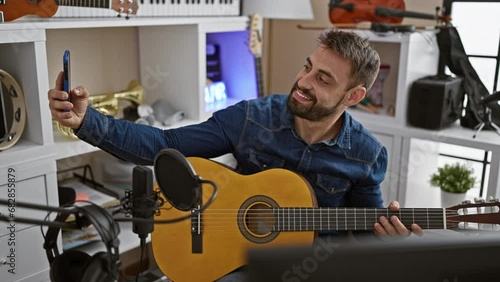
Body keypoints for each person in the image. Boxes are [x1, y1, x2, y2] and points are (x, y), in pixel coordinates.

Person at [49, 28, 423, 280]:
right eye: (308, 67)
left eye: (323, 79)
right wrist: (87, 122)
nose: (304, 82)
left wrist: (386, 238)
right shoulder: (253, 118)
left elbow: (361, 236)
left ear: (353, 96)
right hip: (242, 260)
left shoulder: (366, 154)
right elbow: (166, 146)